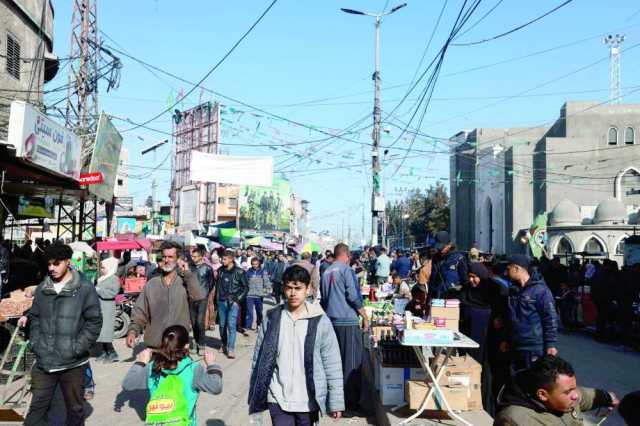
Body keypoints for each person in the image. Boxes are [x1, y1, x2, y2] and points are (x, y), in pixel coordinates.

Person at [249, 265, 344, 424]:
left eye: (298, 288)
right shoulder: (272, 317)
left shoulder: (320, 320)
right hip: (278, 397)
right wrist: (254, 394)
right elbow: (258, 359)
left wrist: (336, 402)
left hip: (308, 401)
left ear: (308, 289)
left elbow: (332, 363)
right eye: (289, 288)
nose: (292, 293)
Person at [24, 243, 102, 426]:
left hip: (73, 363)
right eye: (49, 264)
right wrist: (36, 343)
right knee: (36, 412)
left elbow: (94, 321)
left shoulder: (84, 289)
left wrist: (76, 347)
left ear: (68, 262)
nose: (51, 268)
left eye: (56, 263)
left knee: (75, 411)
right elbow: (35, 317)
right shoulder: (43, 288)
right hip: (45, 362)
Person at [122, 325, 223, 426]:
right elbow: (216, 387)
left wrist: (141, 362)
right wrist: (211, 365)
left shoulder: (153, 367)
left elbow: (128, 383)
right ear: (186, 346)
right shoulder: (193, 369)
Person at [494, 355, 619, 425]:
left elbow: (585, 395)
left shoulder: (566, 398)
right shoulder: (515, 420)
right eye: (567, 392)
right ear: (543, 395)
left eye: (573, 388)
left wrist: (607, 397)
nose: (575, 395)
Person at [126, 241, 206, 350]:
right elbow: (140, 311)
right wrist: (133, 331)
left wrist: (187, 273)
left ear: (178, 259)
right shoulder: (152, 284)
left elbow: (199, 296)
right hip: (155, 344)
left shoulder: (185, 281)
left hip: (178, 344)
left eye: (170, 257)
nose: (166, 260)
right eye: (164, 257)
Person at [320, 243, 369, 412]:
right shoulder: (346, 270)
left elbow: (324, 298)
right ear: (346, 256)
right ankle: (351, 403)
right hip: (347, 321)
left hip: (332, 321)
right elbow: (353, 295)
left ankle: (334, 400)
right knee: (352, 362)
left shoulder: (326, 271)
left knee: (335, 362)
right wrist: (364, 315)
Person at [459, 262, 502, 416]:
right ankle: (469, 401)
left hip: (489, 339)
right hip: (471, 339)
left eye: (474, 277)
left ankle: (486, 405)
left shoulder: (494, 290)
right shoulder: (466, 291)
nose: (471, 280)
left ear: (482, 276)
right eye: (470, 277)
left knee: (487, 372)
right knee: (471, 368)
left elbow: (501, 313)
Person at [505, 254, 558, 371]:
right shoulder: (513, 291)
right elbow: (511, 317)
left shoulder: (540, 291)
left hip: (533, 348)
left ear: (516, 268)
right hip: (515, 346)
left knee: (532, 382)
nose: (505, 272)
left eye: (508, 269)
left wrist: (551, 345)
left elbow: (550, 319)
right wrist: (507, 339)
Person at [216, 250, 249, 358]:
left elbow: (245, 288)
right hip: (221, 301)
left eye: (224, 259)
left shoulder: (239, 272)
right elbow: (218, 286)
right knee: (222, 326)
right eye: (222, 258)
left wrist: (237, 300)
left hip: (232, 303)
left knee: (231, 326)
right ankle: (224, 344)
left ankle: (231, 349)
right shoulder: (220, 270)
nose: (222, 261)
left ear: (231, 259)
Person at [95, 257, 121, 363]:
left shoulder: (114, 279)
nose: (101, 269)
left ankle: (112, 353)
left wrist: (99, 290)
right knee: (101, 332)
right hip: (101, 308)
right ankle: (104, 352)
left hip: (107, 309)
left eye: (103, 267)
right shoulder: (102, 278)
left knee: (105, 333)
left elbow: (112, 293)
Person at [429, 231, 468, 298]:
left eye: (442, 247)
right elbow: (433, 279)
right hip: (439, 298)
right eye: (438, 247)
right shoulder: (436, 259)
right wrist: (430, 296)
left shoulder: (459, 258)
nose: (440, 250)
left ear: (449, 244)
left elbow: (465, 280)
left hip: (455, 297)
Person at [190, 247, 214, 354]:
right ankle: (195, 341)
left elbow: (211, 282)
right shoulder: (189, 268)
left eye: (195, 256)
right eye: (192, 256)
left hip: (202, 299)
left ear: (201, 257)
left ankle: (202, 344)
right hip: (191, 298)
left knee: (200, 322)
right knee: (194, 322)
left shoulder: (207, 268)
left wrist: (205, 293)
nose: (193, 258)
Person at [245, 257, 271, 330]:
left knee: (259, 311)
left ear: (258, 264)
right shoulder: (248, 272)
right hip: (249, 295)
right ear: (251, 264)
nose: (255, 266)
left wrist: (268, 287)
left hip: (259, 295)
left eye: (256, 264)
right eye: (253, 264)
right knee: (249, 311)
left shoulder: (262, 271)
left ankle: (259, 324)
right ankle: (248, 326)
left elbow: (266, 281)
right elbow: (245, 282)